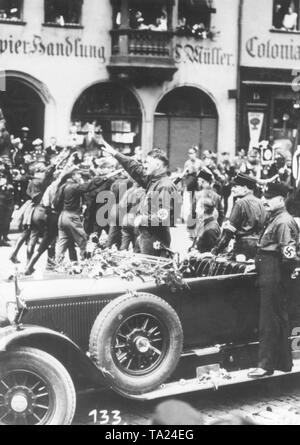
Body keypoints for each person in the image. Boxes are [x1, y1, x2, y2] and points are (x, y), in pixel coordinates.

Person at [248, 183, 299, 378]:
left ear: (280, 200)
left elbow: (289, 254)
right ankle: (281, 363)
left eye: (269, 198)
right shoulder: (276, 218)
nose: (264, 201)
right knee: (274, 319)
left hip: (275, 274)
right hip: (269, 271)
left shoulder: (283, 221)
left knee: (269, 320)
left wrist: (279, 277)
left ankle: (265, 365)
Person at [100, 137, 180, 257]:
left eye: (147, 162)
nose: (144, 165)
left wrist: (142, 219)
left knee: (152, 271)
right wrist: (116, 154)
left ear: (158, 165)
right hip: (146, 235)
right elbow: (135, 168)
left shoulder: (165, 186)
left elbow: (164, 216)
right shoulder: (153, 180)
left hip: (155, 238)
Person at [55, 167, 107, 263]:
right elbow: (88, 186)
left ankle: (57, 263)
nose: (80, 176)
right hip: (72, 216)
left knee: (62, 241)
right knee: (82, 238)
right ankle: (86, 261)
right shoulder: (74, 187)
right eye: (78, 174)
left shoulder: (62, 187)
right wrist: (103, 178)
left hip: (62, 216)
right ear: (73, 176)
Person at [213, 173, 267, 260]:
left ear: (245, 188)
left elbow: (228, 232)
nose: (232, 189)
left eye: (235, 186)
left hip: (242, 249)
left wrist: (216, 250)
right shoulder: (261, 203)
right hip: (259, 248)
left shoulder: (240, 203)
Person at [0, 169, 14, 246]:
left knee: (6, 221)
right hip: (3, 204)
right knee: (2, 221)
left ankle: (4, 237)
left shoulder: (7, 182)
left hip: (6, 204)